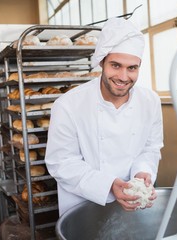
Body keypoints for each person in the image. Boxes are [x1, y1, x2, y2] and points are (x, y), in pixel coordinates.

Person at [45, 17, 164, 216]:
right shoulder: (69, 105)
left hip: (134, 204)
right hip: (83, 205)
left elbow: (150, 148)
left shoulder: (150, 101)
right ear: (102, 61)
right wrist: (109, 185)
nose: (124, 77)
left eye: (132, 68)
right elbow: (62, 163)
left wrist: (143, 173)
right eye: (116, 65)